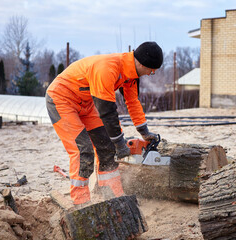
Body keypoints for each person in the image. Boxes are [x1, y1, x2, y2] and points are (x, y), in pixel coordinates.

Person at [46, 41, 163, 205]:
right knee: (82, 150)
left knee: (107, 147)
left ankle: (114, 196)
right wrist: (120, 143)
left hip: (86, 104)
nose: (150, 74)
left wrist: (143, 131)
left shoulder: (131, 75)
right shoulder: (107, 68)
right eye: (151, 71)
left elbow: (132, 101)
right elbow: (107, 111)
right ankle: (81, 203)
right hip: (61, 99)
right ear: (142, 63)